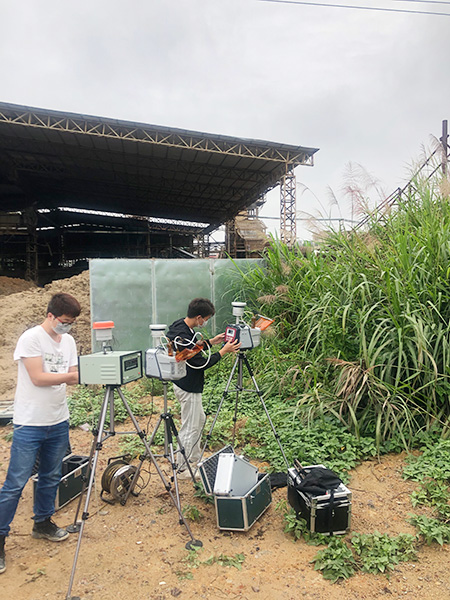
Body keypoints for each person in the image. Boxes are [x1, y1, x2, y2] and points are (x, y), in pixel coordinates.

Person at [0, 292, 81, 574]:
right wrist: (72, 376)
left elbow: (72, 372)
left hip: (58, 419)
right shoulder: (31, 338)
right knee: (15, 482)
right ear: (50, 316)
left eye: (70, 323)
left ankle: (42, 522)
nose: (66, 327)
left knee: (50, 475)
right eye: (64, 321)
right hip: (30, 422)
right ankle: (0, 538)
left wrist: (74, 375)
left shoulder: (68, 340)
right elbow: (38, 377)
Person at [166, 298, 240, 478]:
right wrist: (223, 351)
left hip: (183, 383)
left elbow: (189, 351)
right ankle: (182, 468)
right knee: (190, 426)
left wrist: (210, 342)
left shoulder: (180, 327)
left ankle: (193, 458)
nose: (205, 322)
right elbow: (199, 363)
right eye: (205, 319)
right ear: (199, 317)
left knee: (198, 420)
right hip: (189, 386)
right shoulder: (183, 335)